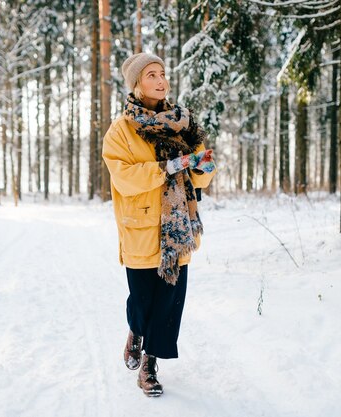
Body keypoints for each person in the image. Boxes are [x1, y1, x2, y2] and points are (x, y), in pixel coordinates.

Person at [102, 52, 217, 397]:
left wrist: (202, 166)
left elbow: (200, 176)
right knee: (142, 301)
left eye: (163, 73)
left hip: (178, 228)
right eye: (151, 74)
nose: (160, 79)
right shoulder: (121, 130)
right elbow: (123, 177)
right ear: (136, 83)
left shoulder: (184, 123)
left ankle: (150, 364)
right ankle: (135, 330)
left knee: (169, 303)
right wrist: (166, 168)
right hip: (140, 226)